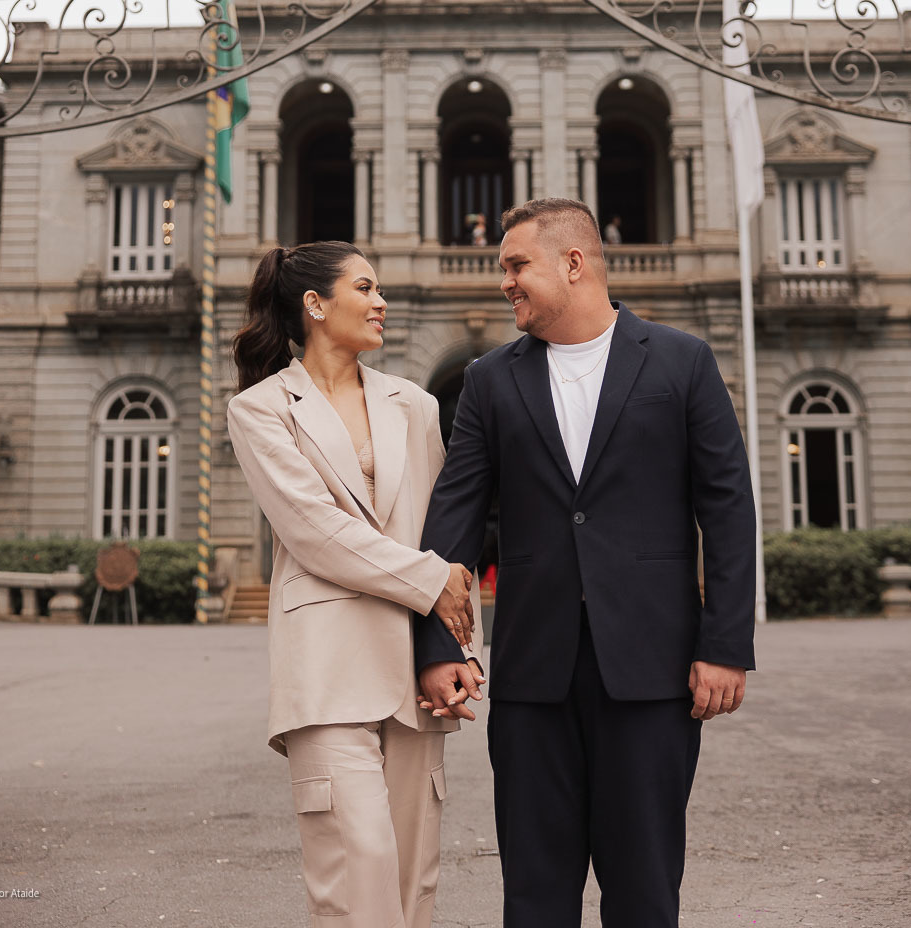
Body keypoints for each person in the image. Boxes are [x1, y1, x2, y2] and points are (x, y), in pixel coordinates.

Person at [415, 198, 756, 928]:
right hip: (534, 675)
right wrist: (440, 645)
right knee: (534, 895)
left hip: (653, 672)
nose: (504, 282)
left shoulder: (682, 361)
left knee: (643, 893)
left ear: (573, 263)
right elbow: (455, 517)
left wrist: (724, 646)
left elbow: (726, 510)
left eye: (516, 266)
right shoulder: (488, 380)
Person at [227, 240, 482, 928]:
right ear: (315, 305)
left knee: (411, 880)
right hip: (325, 666)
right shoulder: (259, 409)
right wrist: (433, 581)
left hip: (414, 667)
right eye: (365, 288)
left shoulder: (416, 404)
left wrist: (454, 651)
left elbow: (445, 528)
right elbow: (313, 532)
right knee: (355, 872)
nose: (381, 302)